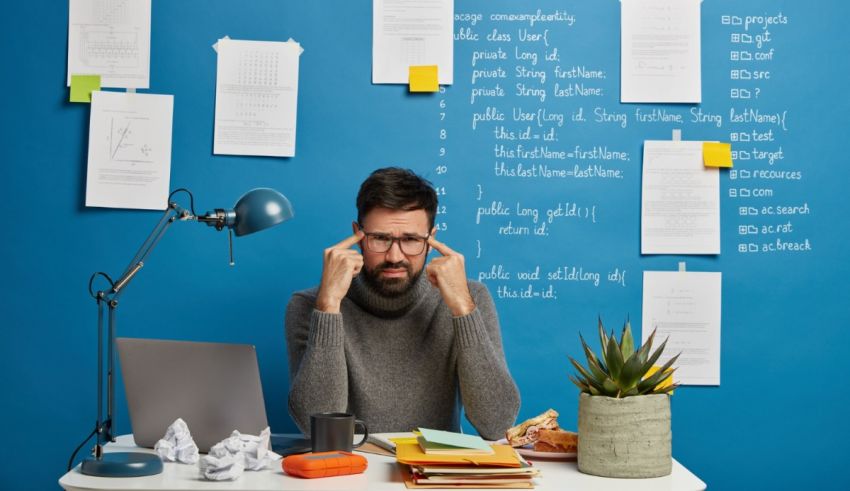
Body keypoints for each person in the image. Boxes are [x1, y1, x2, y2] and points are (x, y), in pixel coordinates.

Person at [285, 167, 520, 440]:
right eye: (381, 239)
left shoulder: (470, 298)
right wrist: (328, 305)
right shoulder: (311, 304)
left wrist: (462, 309)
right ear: (357, 235)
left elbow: (497, 422)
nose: (395, 256)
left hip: (433, 474)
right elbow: (315, 426)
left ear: (431, 240)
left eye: (410, 240)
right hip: (351, 472)